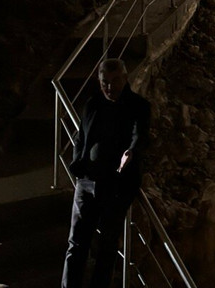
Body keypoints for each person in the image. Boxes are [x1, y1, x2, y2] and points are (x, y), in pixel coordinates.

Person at [61, 58, 151, 288]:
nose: (109, 87)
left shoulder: (138, 106)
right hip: (87, 181)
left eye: (114, 81)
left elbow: (138, 135)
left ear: (125, 78)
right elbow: (81, 137)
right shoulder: (93, 104)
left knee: (107, 247)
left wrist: (130, 152)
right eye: (105, 82)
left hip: (115, 185)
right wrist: (78, 165)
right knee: (77, 243)